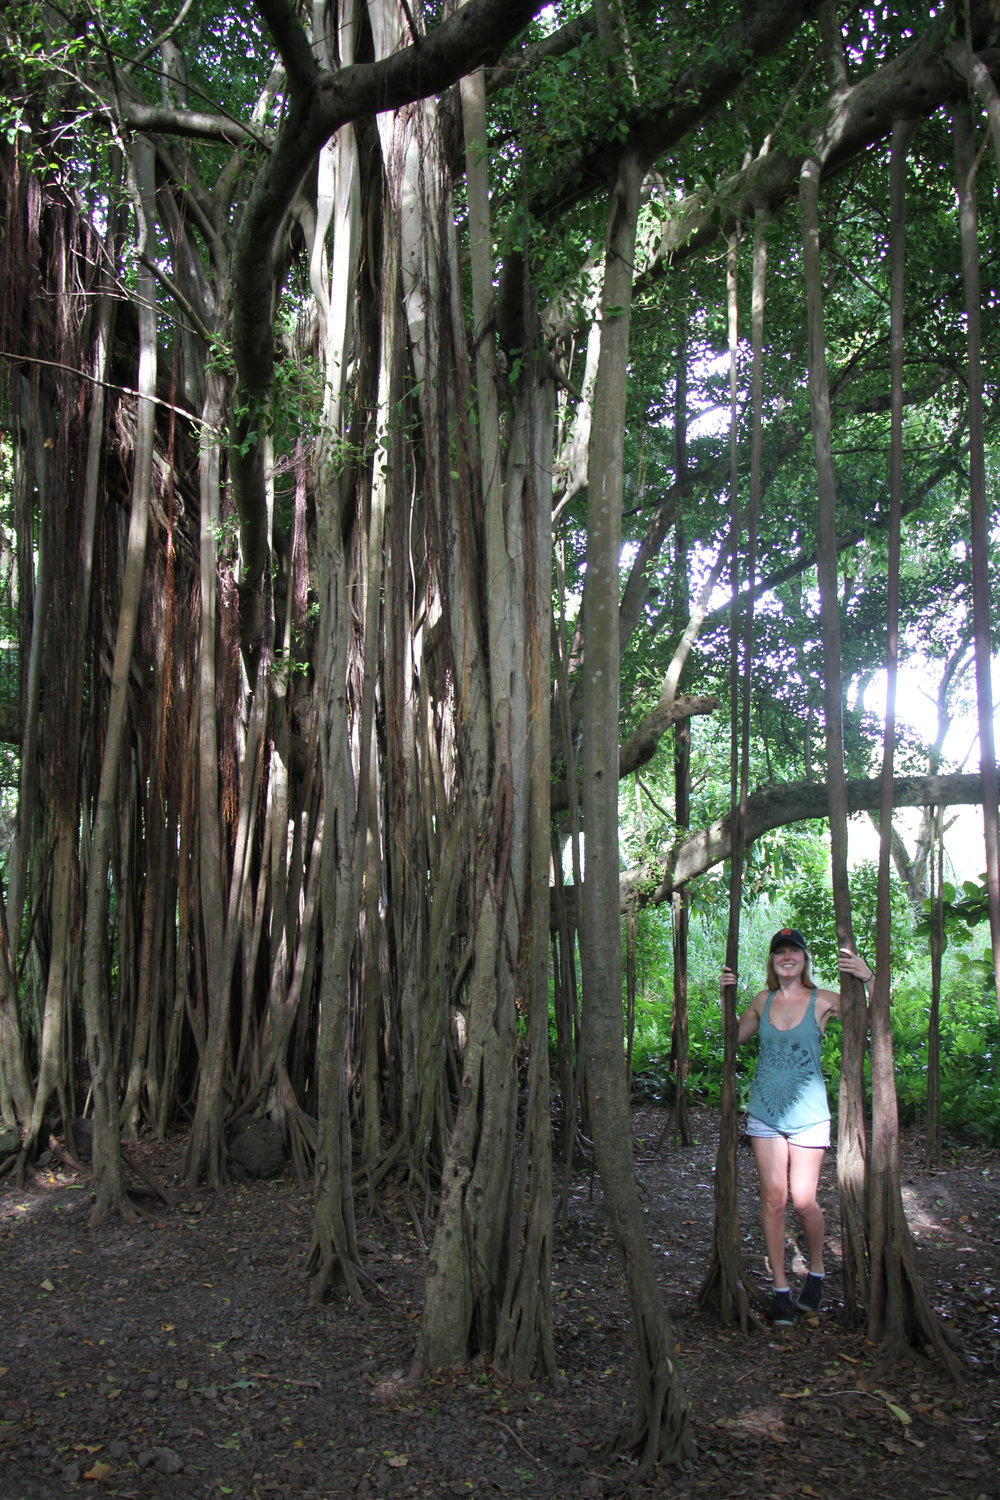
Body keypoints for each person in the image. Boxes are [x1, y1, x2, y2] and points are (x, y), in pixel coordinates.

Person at [719, 927, 874, 1326]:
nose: (787, 957)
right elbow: (732, 1040)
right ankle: (782, 1289)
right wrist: (725, 997)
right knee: (773, 1199)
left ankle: (817, 1275)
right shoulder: (761, 1000)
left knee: (803, 1201)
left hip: (809, 1116)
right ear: (772, 961)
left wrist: (867, 978)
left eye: (794, 951)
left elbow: (869, 1019)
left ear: (804, 959)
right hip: (765, 1114)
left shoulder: (824, 1000)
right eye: (780, 952)